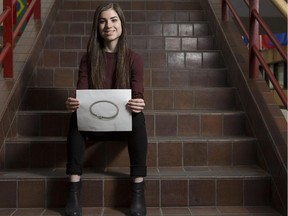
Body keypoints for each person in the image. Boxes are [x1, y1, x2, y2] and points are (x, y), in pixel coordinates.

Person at [64, 2, 148, 216]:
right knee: (75, 118)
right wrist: (73, 103)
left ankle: (137, 192)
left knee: (139, 119)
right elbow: (81, 94)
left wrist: (139, 103)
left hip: (122, 124)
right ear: (97, 27)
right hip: (95, 122)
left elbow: (137, 95)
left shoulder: (134, 59)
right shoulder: (88, 58)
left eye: (113, 20)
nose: (108, 25)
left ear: (121, 24)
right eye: (102, 21)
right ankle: (73, 191)